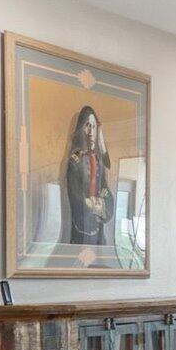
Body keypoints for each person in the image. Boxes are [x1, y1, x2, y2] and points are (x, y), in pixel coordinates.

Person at [59, 104, 113, 249]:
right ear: (81, 129)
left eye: (94, 127)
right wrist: (97, 205)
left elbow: (106, 193)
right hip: (81, 232)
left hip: (99, 234)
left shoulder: (99, 161)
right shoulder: (75, 161)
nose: (91, 131)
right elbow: (76, 198)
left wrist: (100, 204)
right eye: (87, 126)